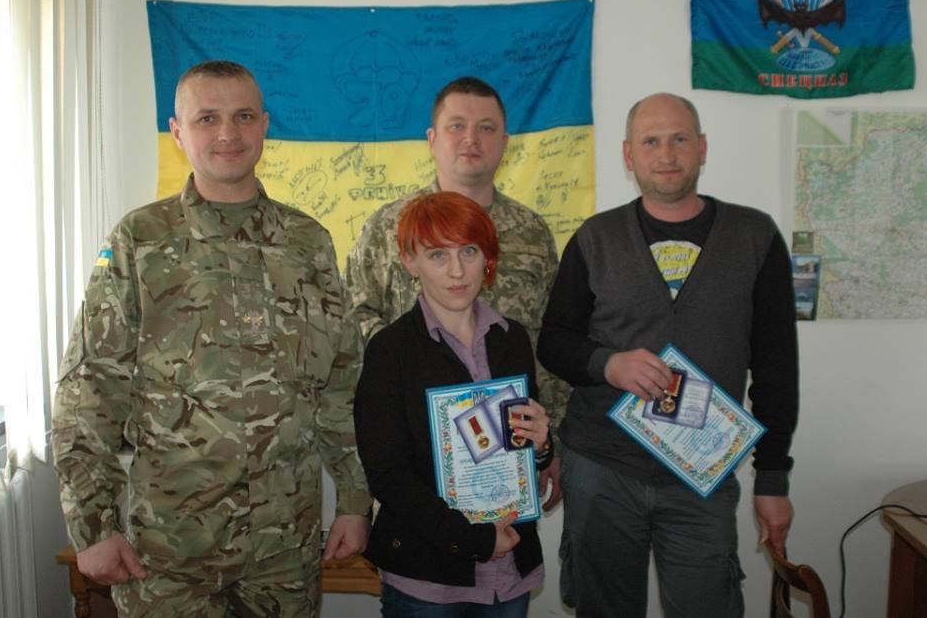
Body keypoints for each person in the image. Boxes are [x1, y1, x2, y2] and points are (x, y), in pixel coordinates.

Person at [52, 60, 372, 617]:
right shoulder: (140, 240)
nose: (228, 133)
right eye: (207, 118)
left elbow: (341, 384)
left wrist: (354, 499)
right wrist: (93, 525)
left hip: (285, 545)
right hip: (171, 547)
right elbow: (91, 385)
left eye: (243, 116)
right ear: (178, 132)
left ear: (264, 125)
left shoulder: (307, 242)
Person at [537, 93, 799, 617]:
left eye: (679, 139)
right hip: (602, 470)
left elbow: (776, 366)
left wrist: (772, 479)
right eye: (650, 141)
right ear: (628, 155)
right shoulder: (595, 238)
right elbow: (554, 341)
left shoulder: (755, 236)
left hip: (703, 474)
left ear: (702, 148)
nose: (666, 154)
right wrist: (609, 364)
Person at [345, 77, 568, 510]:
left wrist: (550, 443)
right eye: (457, 126)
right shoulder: (390, 225)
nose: (471, 139)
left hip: (507, 452)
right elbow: (353, 319)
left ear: (504, 143)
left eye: (486, 128)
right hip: (415, 450)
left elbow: (549, 341)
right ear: (432, 139)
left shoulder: (532, 232)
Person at [354, 192, 551, 617]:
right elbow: (388, 475)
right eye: (437, 255)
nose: (457, 270)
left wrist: (541, 446)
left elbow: (521, 454)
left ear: (488, 258)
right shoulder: (390, 350)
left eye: (469, 251)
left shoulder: (512, 338)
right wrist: (474, 539)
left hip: (509, 573)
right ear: (410, 261)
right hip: (428, 579)